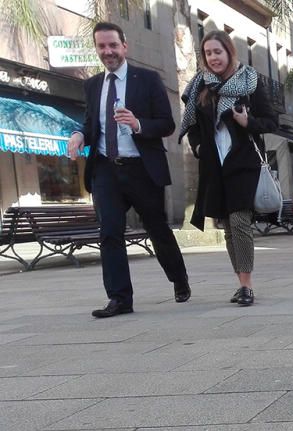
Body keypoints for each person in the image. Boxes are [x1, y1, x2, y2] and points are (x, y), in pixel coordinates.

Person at [67, 22, 190, 318]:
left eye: (113, 45)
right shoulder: (93, 84)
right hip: (105, 169)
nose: (108, 52)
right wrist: (79, 135)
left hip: (141, 168)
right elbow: (90, 123)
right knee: (109, 232)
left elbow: (167, 123)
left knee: (157, 228)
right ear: (97, 49)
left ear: (125, 46)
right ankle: (120, 299)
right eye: (102, 47)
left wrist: (138, 124)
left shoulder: (147, 79)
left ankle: (179, 278)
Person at [178, 30, 278, 307]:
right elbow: (192, 127)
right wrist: (197, 146)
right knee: (228, 229)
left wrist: (249, 123)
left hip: (243, 162)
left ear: (229, 52)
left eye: (217, 52)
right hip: (214, 166)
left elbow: (271, 121)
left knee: (239, 221)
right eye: (208, 53)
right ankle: (241, 282)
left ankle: (246, 286)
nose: (213, 57)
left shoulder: (249, 80)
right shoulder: (199, 85)